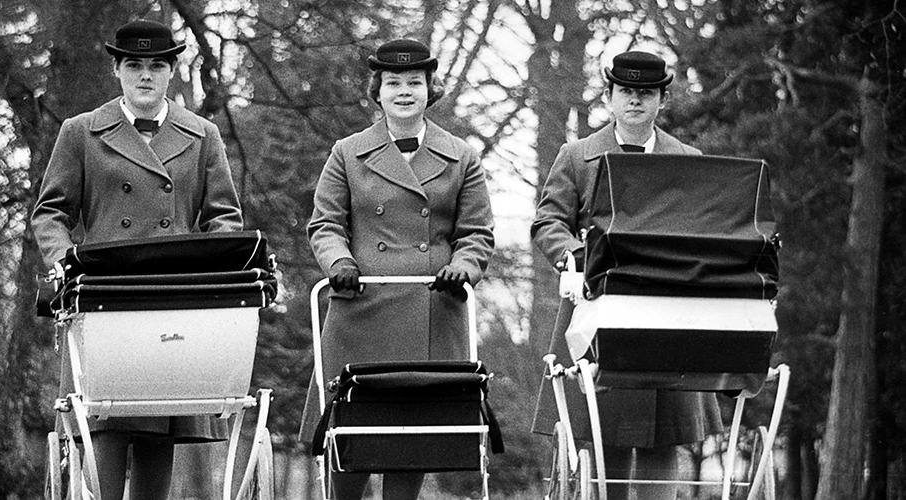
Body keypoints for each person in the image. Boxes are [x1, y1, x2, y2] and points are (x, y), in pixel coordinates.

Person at [31, 19, 243, 500]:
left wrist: (206, 269)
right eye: (134, 65)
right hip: (103, 300)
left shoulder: (202, 135)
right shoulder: (81, 132)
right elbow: (50, 213)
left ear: (171, 71)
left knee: (156, 437)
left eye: (157, 65)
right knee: (101, 438)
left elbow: (225, 219)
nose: (145, 76)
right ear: (117, 70)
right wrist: (67, 263)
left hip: (170, 304)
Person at [299, 39, 494, 500]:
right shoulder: (347, 152)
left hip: (430, 308)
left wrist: (462, 267)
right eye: (393, 83)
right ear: (378, 91)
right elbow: (325, 223)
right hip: (361, 308)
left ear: (430, 89)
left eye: (414, 82)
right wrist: (340, 262)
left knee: (413, 444)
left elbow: (477, 234)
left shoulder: (462, 156)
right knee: (349, 445)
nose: (404, 91)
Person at [530, 50, 724, 500]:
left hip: (667, 314)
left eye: (645, 93)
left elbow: (706, 232)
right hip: (597, 308)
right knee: (604, 436)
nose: (634, 101)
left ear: (661, 100)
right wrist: (575, 258)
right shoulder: (578, 155)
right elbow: (547, 222)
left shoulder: (687, 158)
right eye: (625, 92)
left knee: (663, 436)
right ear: (610, 97)